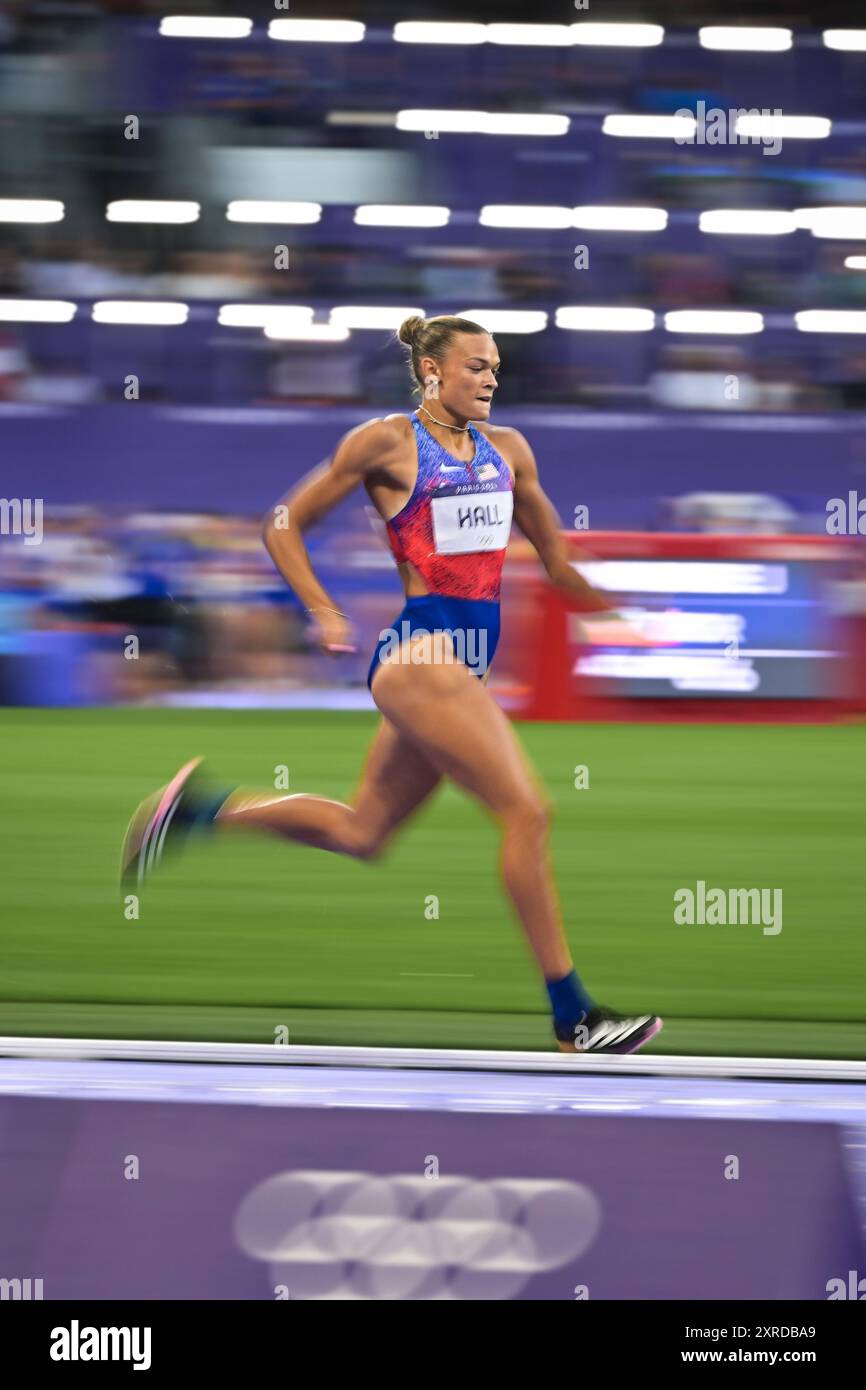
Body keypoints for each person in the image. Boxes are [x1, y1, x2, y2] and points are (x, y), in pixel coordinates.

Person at [121, 315, 662, 1055]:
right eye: (476, 366)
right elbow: (281, 523)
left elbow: (559, 562)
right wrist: (319, 606)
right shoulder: (389, 441)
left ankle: (196, 811)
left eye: (496, 366)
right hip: (421, 656)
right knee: (528, 812)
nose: (491, 379)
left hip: (457, 665)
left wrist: (619, 619)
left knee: (362, 833)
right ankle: (574, 1014)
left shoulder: (510, 452)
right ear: (433, 372)